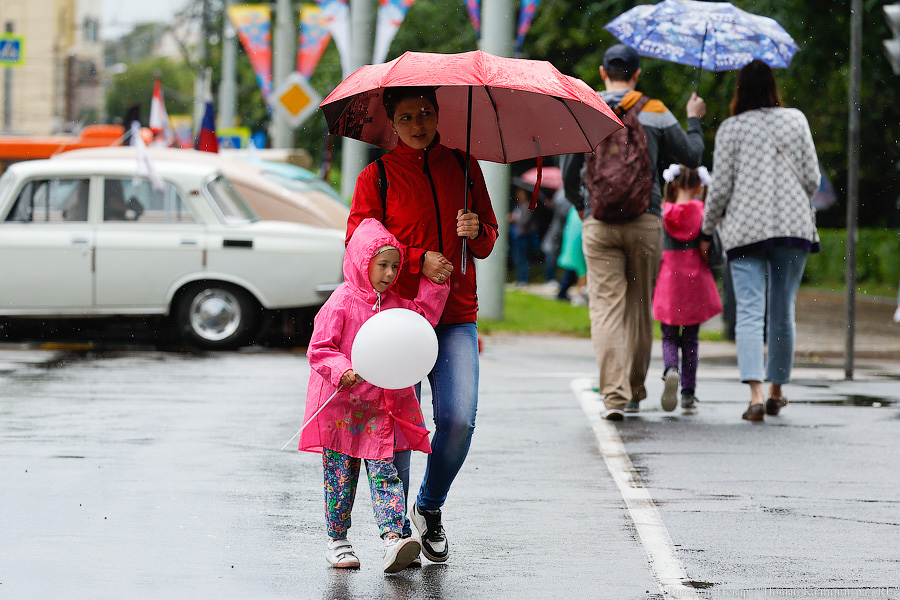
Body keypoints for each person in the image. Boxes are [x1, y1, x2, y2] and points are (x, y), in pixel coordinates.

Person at [346, 86, 499, 563]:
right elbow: (358, 244)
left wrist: (478, 231)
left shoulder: (466, 167)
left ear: (439, 116)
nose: (418, 124)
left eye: (426, 114)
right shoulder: (378, 177)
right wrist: (415, 260)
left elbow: (488, 242)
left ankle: (428, 507)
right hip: (396, 319)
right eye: (407, 116)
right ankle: (397, 536)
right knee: (400, 428)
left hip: (455, 316)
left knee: (458, 419)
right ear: (391, 121)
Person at [562, 44, 706, 420]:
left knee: (606, 309)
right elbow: (692, 156)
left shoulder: (585, 110)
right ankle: (636, 390)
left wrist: (584, 208)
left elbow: (567, 174)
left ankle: (613, 396)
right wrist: (694, 118)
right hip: (645, 220)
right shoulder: (654, 110)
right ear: (638, 74)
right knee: (640, 308)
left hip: (599, 222)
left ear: (602, 71)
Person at [299, 218, 449, 573]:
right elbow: (320, 347)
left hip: (379, 413)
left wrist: (435, 284)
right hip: (340, 409)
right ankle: (338, 540)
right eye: (382, 264)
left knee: (386, 475)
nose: (389, 273)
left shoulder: (396, 303)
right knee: (340, 478)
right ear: (361, 262)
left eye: (395, 266)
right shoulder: (342, 301)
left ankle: (394, 539)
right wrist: (341, 369)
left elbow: (420, 321)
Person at [699, 59, 820, 422]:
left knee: (750, 313)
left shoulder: (731, 129)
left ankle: (754, 393)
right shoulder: (796, 119)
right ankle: (777, 389)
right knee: (783, 311)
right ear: (773, 86)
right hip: (792, 228)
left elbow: (719, 190)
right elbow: (812, 178)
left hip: (746, 232)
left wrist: (706, 230)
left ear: (740, 90)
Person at [652, 164, 723, 414]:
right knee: (691, 339)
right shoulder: (702, 212)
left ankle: (671, 368)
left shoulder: (663, 213)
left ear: (672, 185)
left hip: (670, 279)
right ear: (699, 186)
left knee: (669, 335)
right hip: (695, 280)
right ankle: (688, 393)